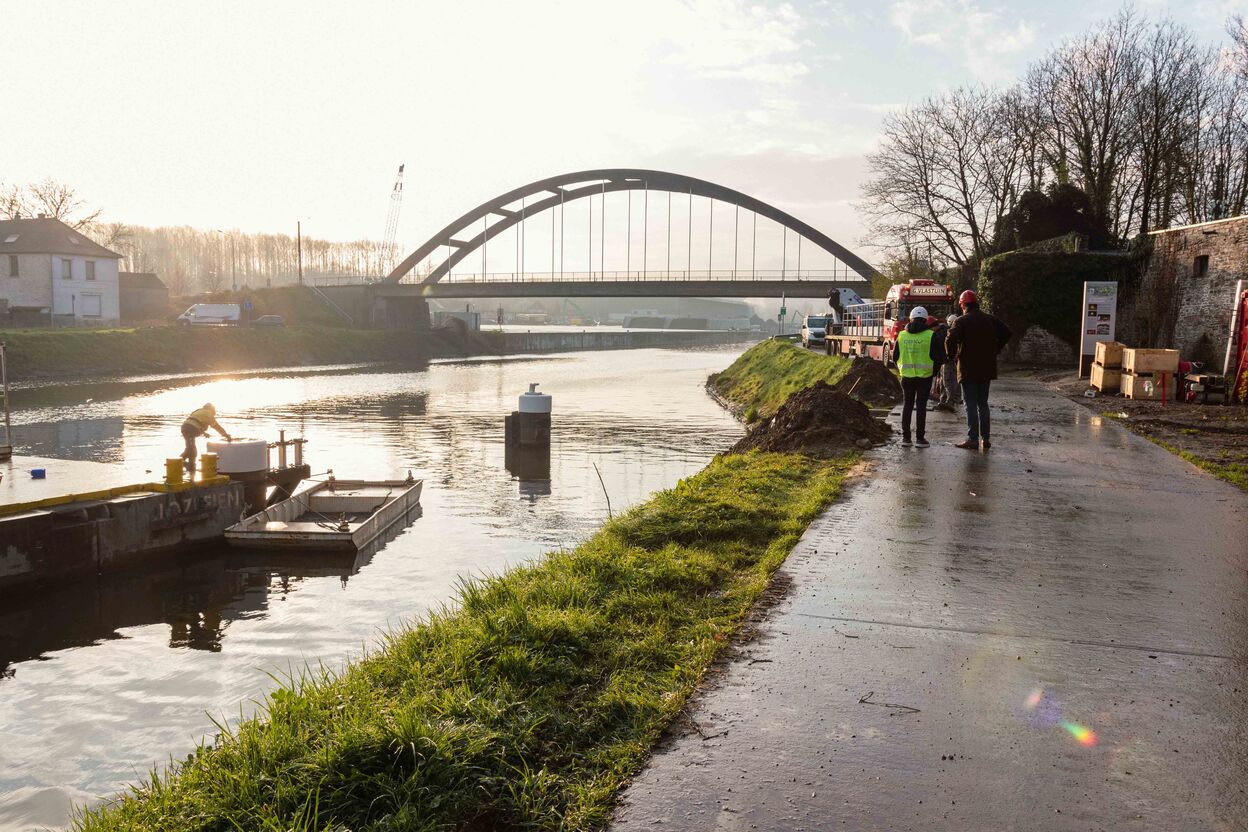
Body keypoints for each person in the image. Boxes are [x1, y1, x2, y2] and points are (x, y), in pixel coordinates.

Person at [944, 290, 1012, 450]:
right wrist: (996, 349)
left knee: (970, 404)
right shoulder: (990, 319)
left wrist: (952, 355)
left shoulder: (961, 321)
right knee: (983, 404)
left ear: (963, 304)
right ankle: (985, 438)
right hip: (987, 368)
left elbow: (950, 339)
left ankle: (972, 438)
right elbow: (1007, 332)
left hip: (968, 369)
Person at [892, 306, 945, 448]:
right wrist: (933, 372)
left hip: (906, 377)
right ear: (925, 320)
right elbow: (939, 357)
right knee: (921, 406)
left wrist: (901, 369)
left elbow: (894, 357)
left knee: (907, 405)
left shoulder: (902, 335)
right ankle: (920, 439)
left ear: (911, 318)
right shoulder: (930, 335)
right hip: (924, 377)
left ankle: (906, 438)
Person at [180, 403, 230, 474]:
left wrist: (203, 432)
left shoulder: (199, 411)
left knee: (190, 449)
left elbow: (195, 421)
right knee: (191, 450)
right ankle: (184, 464)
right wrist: (225, 435)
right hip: (191, 429)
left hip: (185, 427)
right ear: (212, 409)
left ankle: (189, 467)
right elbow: (217, 427)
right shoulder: (209, 414)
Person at [932, 313, 962, 411]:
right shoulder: (950, 332)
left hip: (947, 361)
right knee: (945, 382)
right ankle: (944, 401)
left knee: (947, 382)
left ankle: (949, 402)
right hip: (948, 361)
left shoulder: (946, 332)